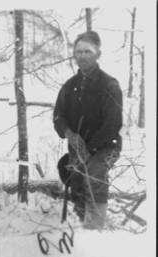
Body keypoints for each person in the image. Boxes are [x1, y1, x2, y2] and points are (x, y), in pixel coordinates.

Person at [53, 31, 123, 230]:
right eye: (79, 52)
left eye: (88, 51)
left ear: (98, 54)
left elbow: (113, 124)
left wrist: (90, 148)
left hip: (105, 147)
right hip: (78, 146)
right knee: (73, 175)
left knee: (94, 172)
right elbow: (58, 116)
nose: (82, 56)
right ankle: (79, 221)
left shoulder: (109, 85)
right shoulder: (69, 86)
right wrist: (69, 134)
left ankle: (96, 225)